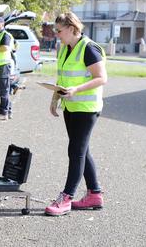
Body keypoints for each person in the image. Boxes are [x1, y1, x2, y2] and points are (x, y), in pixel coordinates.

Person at [45, 12, 107, 216]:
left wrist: (76, 90)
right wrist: (55, 99)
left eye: (59, 30)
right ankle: (94, 194)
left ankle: (66, 197)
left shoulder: (88, 48)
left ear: (72, 29)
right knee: (82, 150)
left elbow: (101, 78)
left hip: (86, 109)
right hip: (71, 107)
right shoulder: (64, 48)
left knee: (76, 151)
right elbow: (62, 77)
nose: (56, 34)